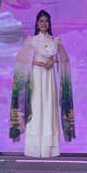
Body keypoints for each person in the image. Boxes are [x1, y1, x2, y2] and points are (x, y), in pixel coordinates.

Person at [10, 10, 75, 157]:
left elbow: (65, 59)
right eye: (41, 21)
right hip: (37, 75)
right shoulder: (32, 41)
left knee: (49, 106)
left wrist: (54, 61)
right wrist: (37, 62)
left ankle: (49, 148)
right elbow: (20, 58)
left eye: (46, 21)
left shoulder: (55, 41)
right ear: (37, 24)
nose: (44, 24)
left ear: (49, 23)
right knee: (36, 105)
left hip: (49, 77)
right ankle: (34, 148)